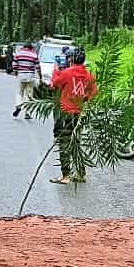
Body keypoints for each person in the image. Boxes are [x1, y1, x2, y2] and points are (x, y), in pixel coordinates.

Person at [49, 47, 98, 184]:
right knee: (76, 143)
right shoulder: (89, 75)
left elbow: (53, 85)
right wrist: (85, 98)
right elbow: (94, 91)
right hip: (79, 114)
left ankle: (65, 176)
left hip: (66, 113)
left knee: (65, 143)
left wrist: (55, 70)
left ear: (71, 59)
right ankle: (81, 173)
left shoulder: (67, 73)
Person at [12, 40, 42, 119]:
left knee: (19, 93)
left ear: (24, 47)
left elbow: (14, 65)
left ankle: (18, 106)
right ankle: (27, 113)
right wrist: (40, 77)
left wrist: (16, 72)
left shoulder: (18, 54)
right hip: (30, 76)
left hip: (21, 75)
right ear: (31, 48)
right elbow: (38, 67)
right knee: (29, 95)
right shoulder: (34, 55)